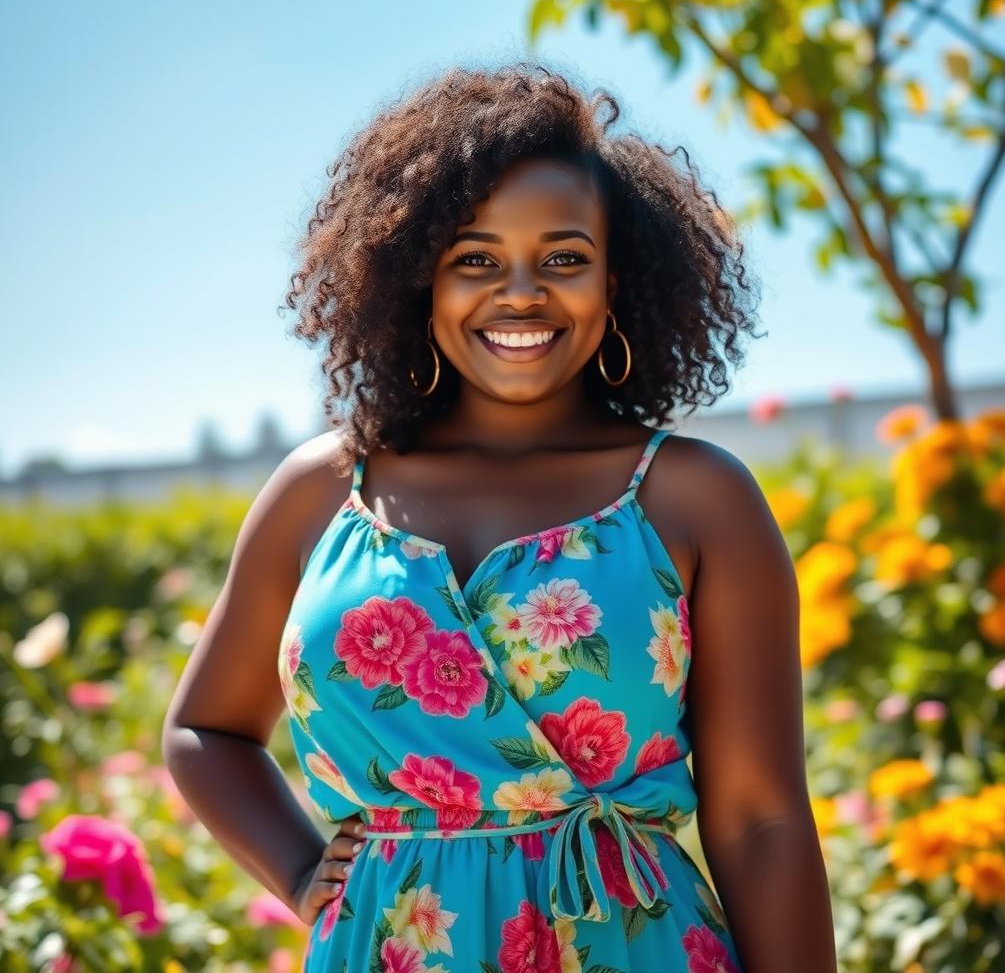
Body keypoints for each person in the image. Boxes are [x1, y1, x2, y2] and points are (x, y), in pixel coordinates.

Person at [162, 61, 837, 972]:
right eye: (474, 259)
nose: (520, 292)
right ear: (414, 280)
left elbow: (760, 818)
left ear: (618, 282)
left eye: (564, 258)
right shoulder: (318, 494)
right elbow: (206, 730)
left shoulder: (696, 498)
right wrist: (297, 875)